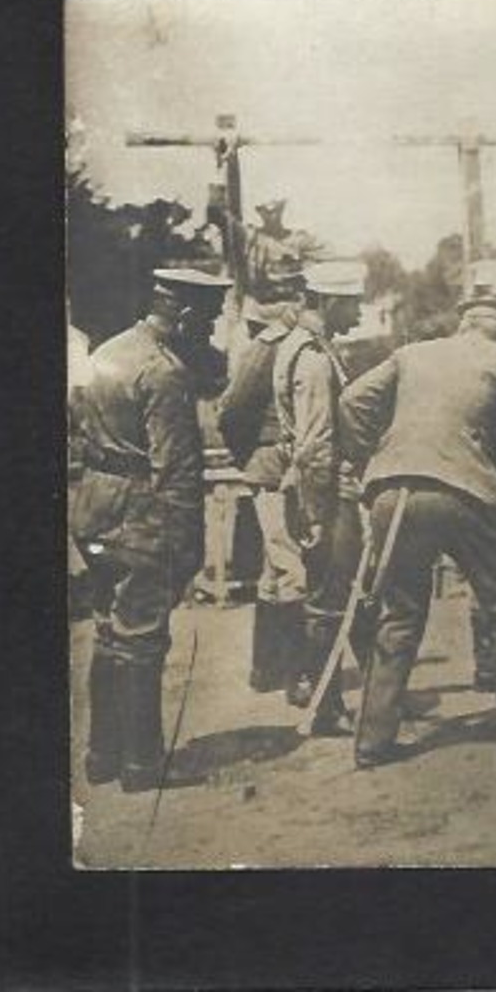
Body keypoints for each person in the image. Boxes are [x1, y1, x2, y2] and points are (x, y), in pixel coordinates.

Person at [340, 259, 496, 767]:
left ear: (466, 314)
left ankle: (373, 742)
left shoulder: (412, 352)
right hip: (464, 492)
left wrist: (376, 457)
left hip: (396, 493)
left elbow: (350, 402)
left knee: (399, 615)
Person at [70, 267, 232, 792]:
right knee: (141, 637)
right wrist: (189, 545)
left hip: (94, 510)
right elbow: (177, 470)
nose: (208, 332)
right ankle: (142, 765)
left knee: (108, 628)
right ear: (183, 314)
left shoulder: (107, 352)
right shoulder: (164, 372)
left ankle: (102, 756)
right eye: (206, 321)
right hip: (141, 515)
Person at [274, 259, 369, 733]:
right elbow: (314, 445)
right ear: (329, 301)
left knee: (330, 599)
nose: (359, 313)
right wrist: (316, 514)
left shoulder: (310, 347)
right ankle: (328, 708)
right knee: (331, 602)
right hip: (328, 493)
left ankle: (335, 698)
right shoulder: (312, 357)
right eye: (353, 303)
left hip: (324, 490)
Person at [215, 249, 305, 693]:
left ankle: (267, 670)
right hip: (274, 465)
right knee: (292, 569)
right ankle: (297, 675)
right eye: (289, 291)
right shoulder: (267, 346)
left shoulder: (301, 342)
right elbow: (231, 411)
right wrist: (251, 455)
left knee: (276, 570)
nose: (296, 301)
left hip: (287, 465)